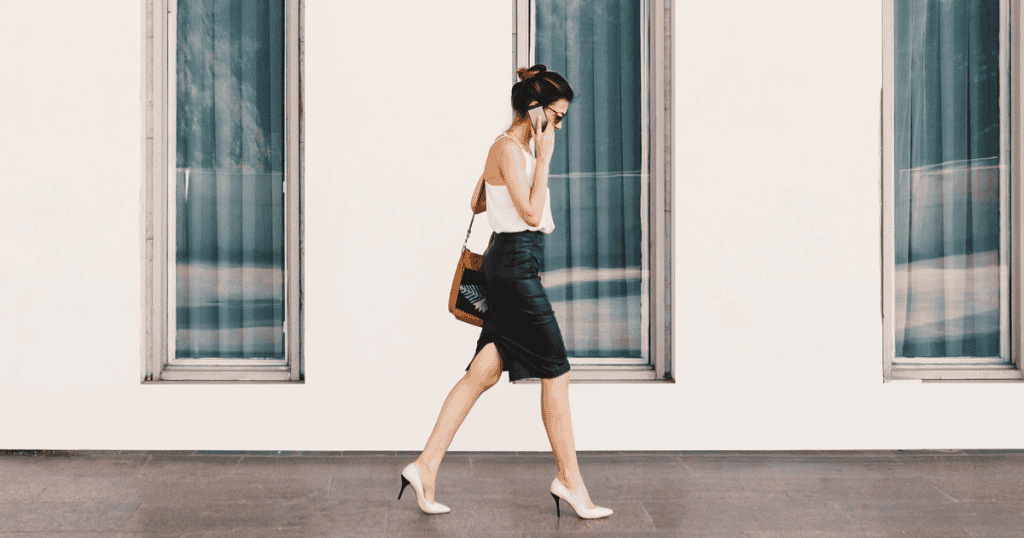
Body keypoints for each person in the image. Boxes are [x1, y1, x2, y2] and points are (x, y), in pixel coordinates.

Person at [397, 65, 612, 520]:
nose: (558, 126)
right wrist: (545, 158)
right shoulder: (509, 148)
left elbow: (477, 199)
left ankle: (425, 465)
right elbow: (532, 214)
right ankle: (571, 482)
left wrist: (519, 165)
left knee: (483, 372)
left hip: (513, 263)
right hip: (514, 268)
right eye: (555, 116)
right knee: (556, 369)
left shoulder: (512, 149)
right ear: (534, 110)